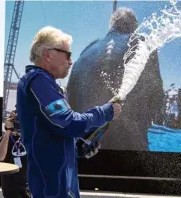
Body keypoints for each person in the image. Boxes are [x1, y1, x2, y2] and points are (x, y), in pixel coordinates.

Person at [16, 26, 122, 198]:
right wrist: (106, 112)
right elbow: (69, 123)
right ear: (48, 54)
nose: (71, 61)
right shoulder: (38, 81)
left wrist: (77, 147)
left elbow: (52, 133)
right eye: (67, 54)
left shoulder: (41, 82)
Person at [66, 7, 164, 151]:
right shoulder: (142, 45)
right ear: (135, 26)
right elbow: (156, 96)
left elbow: (70, 99)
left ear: (111, 25)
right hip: (130, 151)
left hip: (85, 150)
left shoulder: (87, 51)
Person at [0, 110, 30, 198]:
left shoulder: (29, 139)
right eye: (14, 122)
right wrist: (8, 132)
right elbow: (0, 157)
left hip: (27, 186)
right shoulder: (4, 139)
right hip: (10, 186)